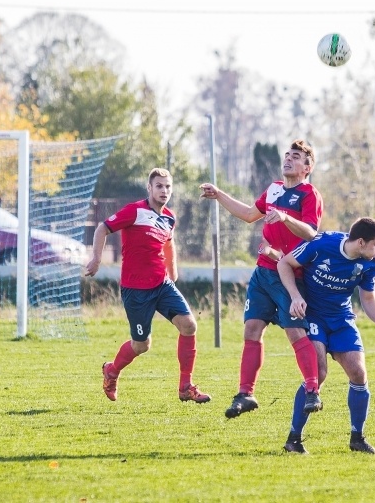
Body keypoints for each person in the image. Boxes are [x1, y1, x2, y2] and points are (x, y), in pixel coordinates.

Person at [199, 139, 324, 419]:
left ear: (307, 167)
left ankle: (313, 391)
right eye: (287, 155)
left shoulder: (309, 194)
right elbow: (247, 215)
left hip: (291, 274)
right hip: (263, 272)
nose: (289, 159)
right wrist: (219, 195)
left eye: (296, 156)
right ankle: (246, 393)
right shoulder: (273, 189)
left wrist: (285, 219)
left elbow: (311, 234)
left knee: (295, 333)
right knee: (252, 329)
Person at [85, 168, 211, 404]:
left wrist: (173, 273)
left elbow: (169, 244)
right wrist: (96, 259)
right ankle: (111, 370)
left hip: (161, 285)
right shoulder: (135, 211)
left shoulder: (169, 218)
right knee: (142, 345)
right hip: (136, 290)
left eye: (168, 186)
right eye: (159, 186)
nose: (164, 191)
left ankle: (186, 386)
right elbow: (102, 228)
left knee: (189, 325)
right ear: (150, 188)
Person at [276, 217, 375, 454]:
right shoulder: (323, 244)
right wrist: (295, 296)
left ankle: (357, 438)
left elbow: (368, 298)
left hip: (342, 319)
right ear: (361, 242)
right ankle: (294, 439)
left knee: (359, 373)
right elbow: (284, 264)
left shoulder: (371, 262)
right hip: (314, 317)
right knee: (318, 373)